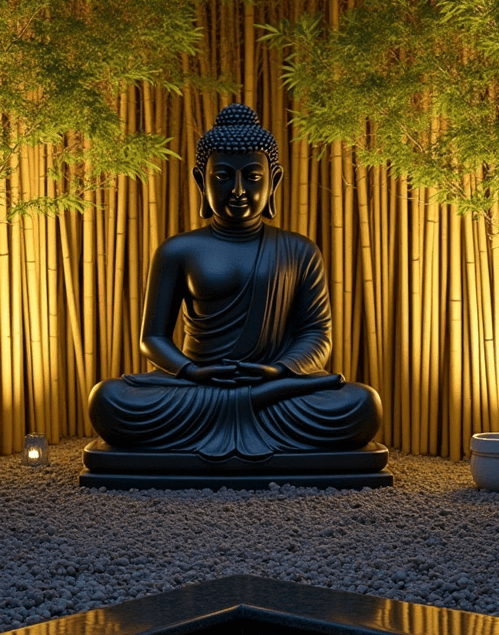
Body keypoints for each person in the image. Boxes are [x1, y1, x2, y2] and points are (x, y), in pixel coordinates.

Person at [88, 103, 382, 461]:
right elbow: (152, 338)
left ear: (274, 180)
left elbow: (317, 335)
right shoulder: (178, 250)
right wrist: (192, 371)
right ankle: (249, 406)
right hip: (198, 387)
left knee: (362, 403)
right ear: (202, 181)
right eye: (223, 176)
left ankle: (247, 404)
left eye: (253, 177)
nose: (239, 190)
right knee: (108, 399)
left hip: (274, 386)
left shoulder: (299, 250)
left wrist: (277, 370)